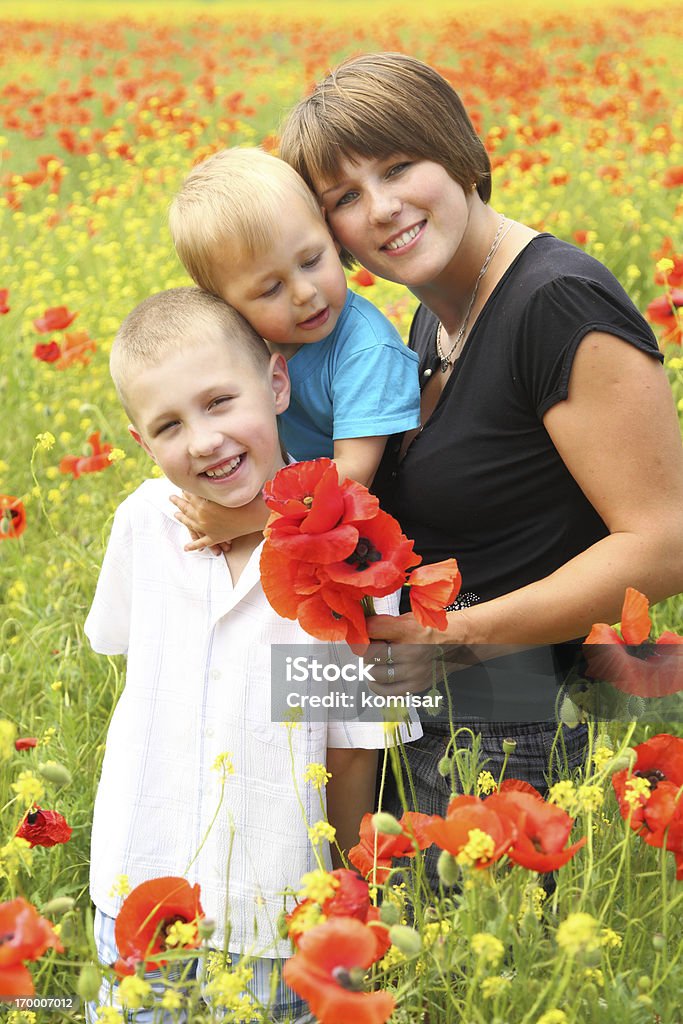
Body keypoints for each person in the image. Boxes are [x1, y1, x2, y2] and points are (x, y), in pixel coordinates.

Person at [278, 52, 683, 883]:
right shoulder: (437, 320)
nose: (382, 208)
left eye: (397, 167)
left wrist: (452, 638)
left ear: (459, 152)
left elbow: (664, 544)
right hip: (440, 716)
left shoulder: (555, 303)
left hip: (517, 738)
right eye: (344, 199)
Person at [84, 287, 416, 1020]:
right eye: (169, 424)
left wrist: (335, 895)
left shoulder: (355, 553)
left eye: (219, 402)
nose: (202, 440)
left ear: (274, 383)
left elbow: (354, 744)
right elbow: (128, 657)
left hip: (276, 907)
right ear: (140, 442)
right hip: (138, 881)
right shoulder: (142, 523)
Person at [166, 147, 419, 553]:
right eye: (270, 289)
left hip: (369, 535)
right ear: (224, 302)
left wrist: (241, 520)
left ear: (329, 232)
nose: (305, 293)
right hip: (296, 507)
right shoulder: (247, 345)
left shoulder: (365, 350)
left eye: (312, 260)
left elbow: (351, 479)